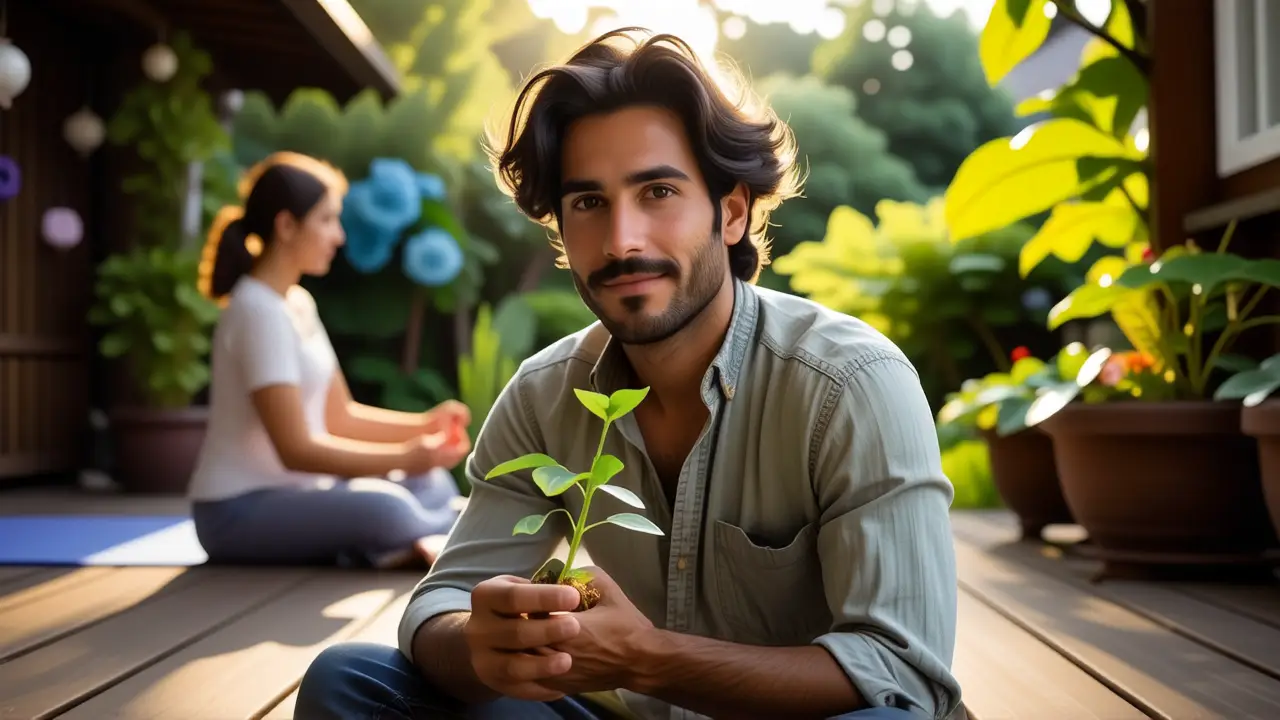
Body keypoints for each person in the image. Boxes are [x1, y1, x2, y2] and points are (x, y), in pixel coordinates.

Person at [296, 28, 961, 720]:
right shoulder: (543, 394)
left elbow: (903, 672)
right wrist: (479, 644)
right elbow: (441, 602)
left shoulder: (850, 384)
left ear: (730, 213)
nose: (621, 241)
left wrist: (648, 659)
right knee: (352, 681)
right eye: (587, 203)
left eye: (658, 192)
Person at [187, 152, 471, 570]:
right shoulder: (255, 310)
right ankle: (447, 530)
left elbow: (340, 416)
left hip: (303, 495)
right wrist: (403, 456)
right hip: (235, 512)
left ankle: (424, 536)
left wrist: (425, 424)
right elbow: (296, 451)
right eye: (326, 220)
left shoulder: (297, 302)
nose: (338, 236)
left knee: (431, 481)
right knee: (384, 508)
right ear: (286, 226)